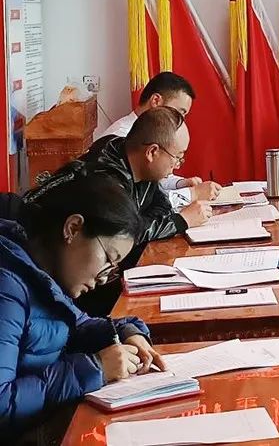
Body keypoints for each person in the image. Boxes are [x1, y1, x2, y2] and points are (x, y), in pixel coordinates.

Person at [0, 173, 163, 439]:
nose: (104, 277)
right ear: (73, 228)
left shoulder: (41, 275)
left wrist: (126, 332)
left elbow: (81, 325)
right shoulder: (7, 286)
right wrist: (95, 368)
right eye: (108, 259)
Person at [24, 107, 212, 316]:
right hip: (62, 284)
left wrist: (156, 221)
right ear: (152, 152)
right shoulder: (105, 178)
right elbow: (128, 232)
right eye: (177, 157)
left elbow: (160, 208)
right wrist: (180, 221)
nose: (176, 166)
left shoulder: (139, 166)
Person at [102, 72, 220, 209]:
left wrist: (181, 184)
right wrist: (192, 194)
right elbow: (138, 204)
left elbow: (154, 181)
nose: (181, 121)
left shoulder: (147, 132)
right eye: (179, 112)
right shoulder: (120, 137)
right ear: (156, 101)